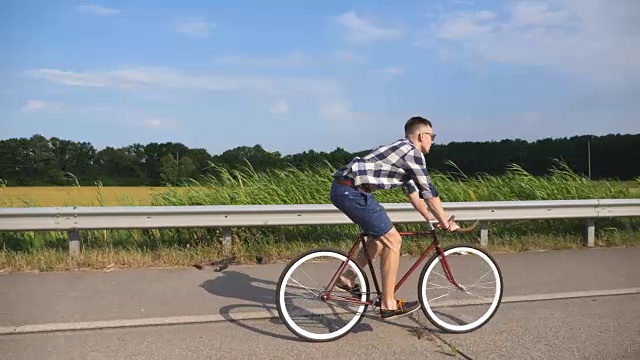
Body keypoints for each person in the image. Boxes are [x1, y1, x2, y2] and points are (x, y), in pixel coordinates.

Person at [329, 116, 459, 319]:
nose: (433, 141)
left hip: (348, 189)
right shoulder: (412, 152)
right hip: (351, 191)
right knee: (394, 240)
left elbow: (414, 195)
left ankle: (347, 278)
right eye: (432, 136)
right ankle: (388, 304)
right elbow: (429, 192)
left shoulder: (403, 152)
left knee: (379, 241)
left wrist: (430, 219)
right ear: (422, 135)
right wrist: (445, 222)